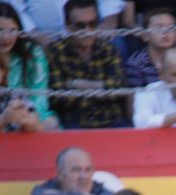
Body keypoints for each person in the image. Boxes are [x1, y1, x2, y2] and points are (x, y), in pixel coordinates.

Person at [48, 0, 129, 128]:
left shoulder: (108, 49)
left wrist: (75, 84)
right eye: (80, 25)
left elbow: (119, 89)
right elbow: (59, 96)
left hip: (111, 120)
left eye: (93, 24)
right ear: (68, 26)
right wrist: (102, 88)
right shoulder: (55, 51)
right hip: (75, 122)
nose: (87, 30)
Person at [0, 2, 58, 126]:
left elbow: (39, 95)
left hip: (29, 113)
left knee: (50, 123)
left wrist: (27, 116)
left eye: (12, 31)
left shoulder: (33, 52)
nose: (5, 37)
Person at [30, 145, 114, 195]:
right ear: (60, 174)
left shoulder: (97, 188)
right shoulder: (43, 190)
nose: (83, 176)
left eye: (88, 170)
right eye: (76, 170)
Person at [121, 6, 176, 89]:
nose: (165, 32)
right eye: (159, 27)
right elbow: (135, 98)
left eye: (170, 27)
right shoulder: (136, 64)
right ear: (145, 35)